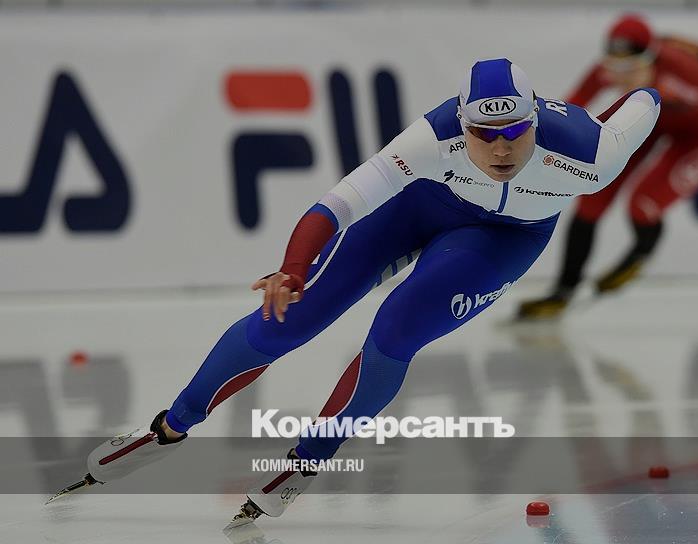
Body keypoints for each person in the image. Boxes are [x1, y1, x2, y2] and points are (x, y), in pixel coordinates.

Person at [50, 58, 661, 526]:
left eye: (515, 132)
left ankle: (304, 463)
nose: (501, 148)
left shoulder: (592, 155)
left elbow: (647, 99)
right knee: (289, 317)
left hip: (505, 239)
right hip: (423, 205)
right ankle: (168, 428)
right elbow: (337, 204)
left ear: (534, 122)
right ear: (462, 124)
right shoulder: (431, 138)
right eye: (483, 133)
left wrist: (645, 78)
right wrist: (292, 268)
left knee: (394, 333)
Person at [517, 14, 698, 320]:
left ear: (652, 59)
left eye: (631, 68)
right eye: (614, 67)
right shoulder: (609, 70)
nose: (619, 77)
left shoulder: (686, 77)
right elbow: (572, 105)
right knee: (592, 194)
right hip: (656, 119)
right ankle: (563, 290)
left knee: (644, 204)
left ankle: (639, 254)